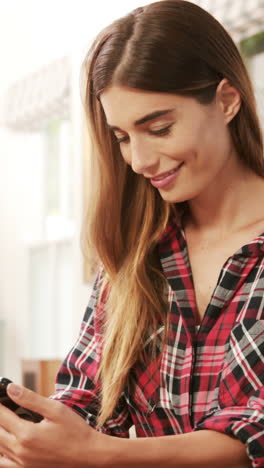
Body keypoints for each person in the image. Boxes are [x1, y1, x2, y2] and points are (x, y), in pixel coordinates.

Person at [0, 0, 263, 466]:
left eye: (158, 128)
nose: (139, 161)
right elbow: (86, 406)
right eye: (122, 137)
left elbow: (252, 435)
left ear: (226, 100)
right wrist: (34, 439)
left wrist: (99, 454)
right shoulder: (137, 253)